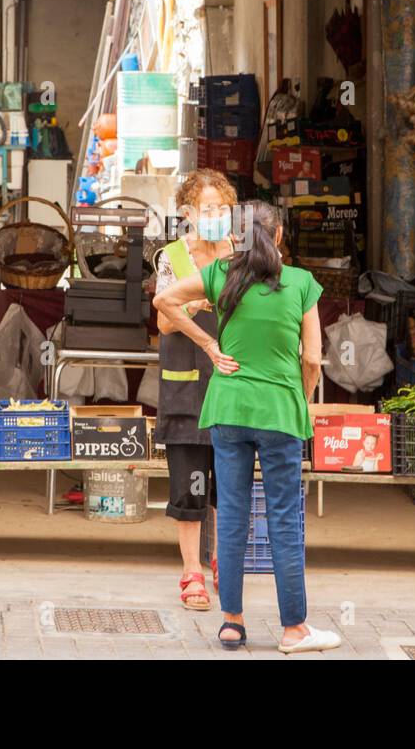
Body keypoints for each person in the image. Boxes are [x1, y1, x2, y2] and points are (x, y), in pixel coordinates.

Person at [154, 200, 342, 654]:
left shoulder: (222, 274)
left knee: (233, 514)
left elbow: (164, 302)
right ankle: (294, 629)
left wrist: (209, 344)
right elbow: (312, 358)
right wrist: (299, 394)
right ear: (278, 237)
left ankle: (232, 624)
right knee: (283, 519)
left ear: (235, 235)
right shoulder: (301, 284)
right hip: (279, 413)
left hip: (228, 410)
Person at [152, 169, 237, 611]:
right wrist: (196, 302)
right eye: (208, 209)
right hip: (186, 388)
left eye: (223, 209)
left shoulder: (241, 254)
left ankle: (223, 561)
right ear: (188, 213)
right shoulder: (172, 258)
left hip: (233, 384)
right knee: (189, 486)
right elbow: (164, 321)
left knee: (228, 484)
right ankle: (192, 572)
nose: (217, 216)